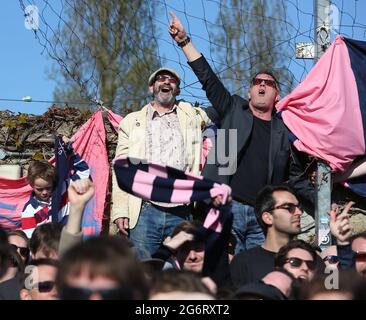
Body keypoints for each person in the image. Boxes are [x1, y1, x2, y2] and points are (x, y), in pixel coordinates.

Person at [168, 12, 312, 253]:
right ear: (249, 92)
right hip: (224, 207)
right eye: (257, 82)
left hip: (261, 216)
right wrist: (184, 41)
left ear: (277, 96)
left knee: (256, 274)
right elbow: (208, 79)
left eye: (270, 83)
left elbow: (295, 178)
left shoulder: (282, 131)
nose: (263, 85)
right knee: (221, 274)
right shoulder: (233, 109)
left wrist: (324, 201)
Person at [111, 66, 213, 259]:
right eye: (161, 79)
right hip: (145, 209)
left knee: (182, 273)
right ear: (152, 88)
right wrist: (120, 210)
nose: (166, 82)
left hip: (182, 210)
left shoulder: (190, 114)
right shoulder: (131, 122)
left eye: (172, 80)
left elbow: (219, 107)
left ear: (178, 90)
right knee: (143, 273)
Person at [21, 136, 90, 237]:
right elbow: (31, 240)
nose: (44, 192)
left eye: (48, 188)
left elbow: (84, 173)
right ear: (31, 185)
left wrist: (71, 152)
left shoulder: (62, 188)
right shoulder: (29, 210)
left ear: (53, 182)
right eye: (39, 189)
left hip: (68, 242)